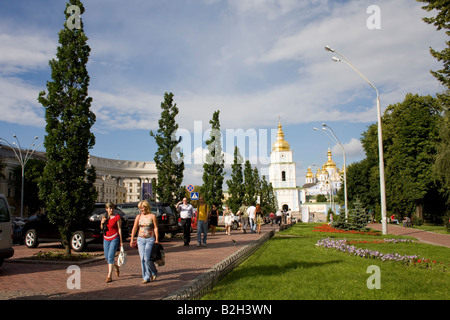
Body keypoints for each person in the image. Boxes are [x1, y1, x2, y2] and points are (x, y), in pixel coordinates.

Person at [130, 200, 159, 283]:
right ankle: (146, 277)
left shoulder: (152, 216)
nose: (141, 210)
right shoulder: (138, 217)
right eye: (140, 208)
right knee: (142, 258)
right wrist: (132, 239)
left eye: (142, 208)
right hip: (140, 239)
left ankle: (154, 271)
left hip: (150, 239)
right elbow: (135, 228)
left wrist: (157, 239)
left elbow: (156, 228)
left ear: (147, 208)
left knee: (147, 258)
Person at [101, 202, 123, 283]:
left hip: (114, 237)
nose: (111, 210)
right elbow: (101, 228)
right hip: (106, 238)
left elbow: (119, 229)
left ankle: (109, 276)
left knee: (110, 257)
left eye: (112, 208)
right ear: (106, 209)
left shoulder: (117, 217)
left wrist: (121, 241)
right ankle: (116, 267)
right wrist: (102, 222)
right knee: (107, 257)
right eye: (109, 208)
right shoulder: (105, 217)